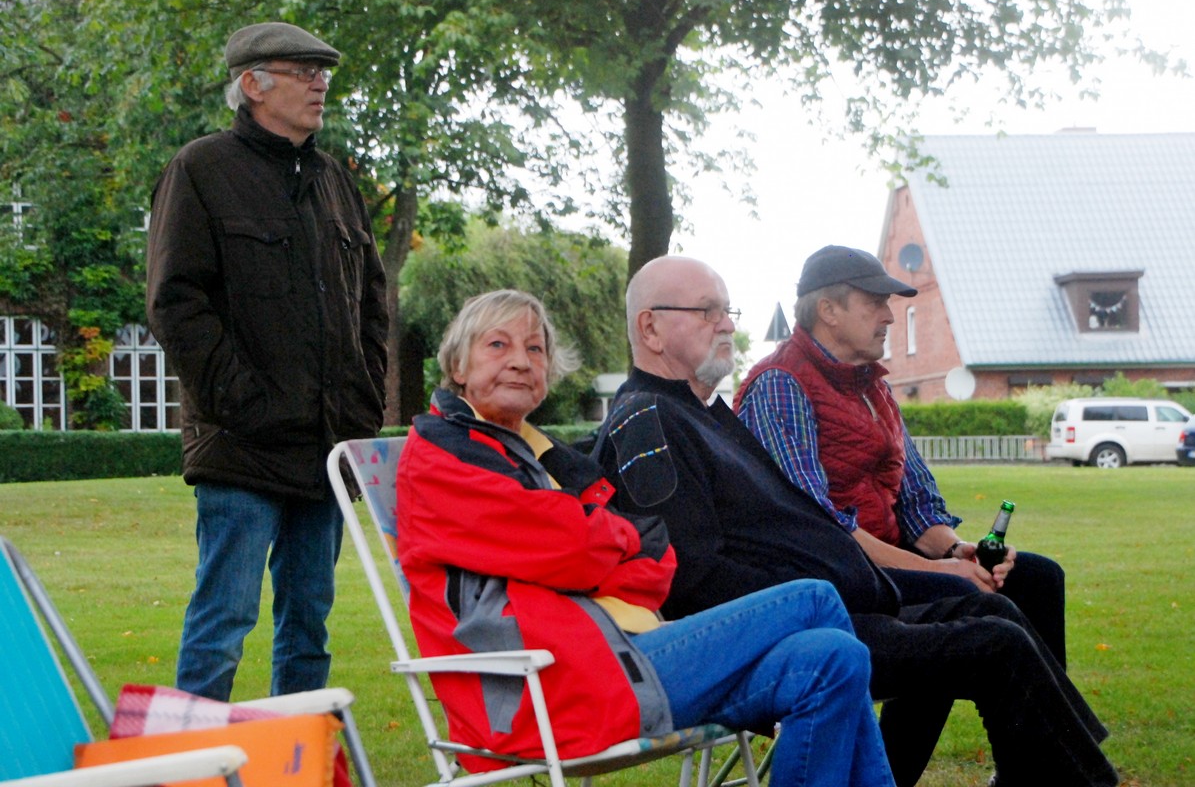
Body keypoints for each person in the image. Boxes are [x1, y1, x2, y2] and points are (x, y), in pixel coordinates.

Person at [595, 256, 1117, 787]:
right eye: (707, 311)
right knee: (993, 644)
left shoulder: (704, 413)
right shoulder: (650, 421)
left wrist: (913, 569)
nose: (728, 324)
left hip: (837, 604)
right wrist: (820, 597)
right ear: (650, 327)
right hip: (788, 637)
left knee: (994, 608)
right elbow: (693, 579)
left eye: (727, 310)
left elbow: (807, 522)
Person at [397, 289, 894, 786]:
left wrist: (596, 548)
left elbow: (655, 560)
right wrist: (600, 545)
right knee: (814, 599)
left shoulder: (542, 458)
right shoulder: (444, 458)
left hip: (624, 656)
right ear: (458, 366)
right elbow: (576, 547)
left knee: (835, 657)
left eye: (535, 349)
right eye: (498, 346)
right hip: (553, 690)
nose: (522, 362)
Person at [146, 22, 388, 700]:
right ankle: (185, 771)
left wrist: (363, 400)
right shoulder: (199, 170)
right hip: (241, 449)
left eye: (324, 73)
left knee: (309, 625)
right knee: (223, 620)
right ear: (252, 84)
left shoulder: (336, 180)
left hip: (327, 448)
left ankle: (300, 762)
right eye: (303, 70)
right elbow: (174, 304)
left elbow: (371, 301)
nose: (319, 84)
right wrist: (244, 404)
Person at [734, 245, 1067, 665]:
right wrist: (936, 572)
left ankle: (1048, 731)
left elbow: (916, 501)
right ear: (828, 310)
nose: (889, 316)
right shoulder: (780, 385)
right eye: (875, 303)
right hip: (834, 577)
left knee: (1038, 578)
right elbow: (820, 528)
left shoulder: (874, 387)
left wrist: (956, 551)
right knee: (965, 600)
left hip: (889, 563)